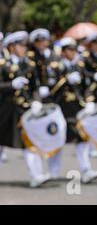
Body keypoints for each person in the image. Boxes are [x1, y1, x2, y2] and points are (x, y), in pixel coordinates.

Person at [47, 37, 97, 183]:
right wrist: (65, 79)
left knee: (82, 138)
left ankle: (86, 170)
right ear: (63, 51)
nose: (72, 53)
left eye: (74, 50)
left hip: (77, 107)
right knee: (57, 140)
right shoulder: (55, 66)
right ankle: (53, 172)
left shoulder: (79, 66)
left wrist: (89, 101)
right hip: (60, 107)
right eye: (70, 50)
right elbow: (50, 89)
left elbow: (87, 86)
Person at [0, 31, 50, 188]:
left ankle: (36, 175)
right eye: (20, 45)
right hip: (5, 110)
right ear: (12, 47)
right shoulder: (2, 65)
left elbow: (34, 87)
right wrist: (11, 85)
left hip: (24, 110)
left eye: (24, 45)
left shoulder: (29, 64)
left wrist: (37, 101)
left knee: (30, 142)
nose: (24, 48)